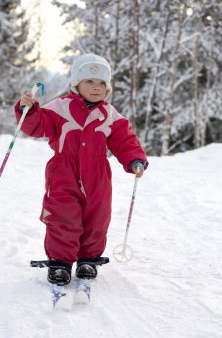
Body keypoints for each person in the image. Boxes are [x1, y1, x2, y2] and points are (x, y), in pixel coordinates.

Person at [15, 53, 148, 285]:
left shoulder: (110, 115)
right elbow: (37, 126)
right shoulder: (60, 108)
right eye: (89, 82)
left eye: (101, 84)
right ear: (76, 84)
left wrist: (135, 159)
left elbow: (124, 140)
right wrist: (28, 110)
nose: (96, 88)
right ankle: (60, 262)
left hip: (97, 175)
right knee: (62, 217)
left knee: (97, 218)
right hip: (63, 173)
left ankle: (89, 258)